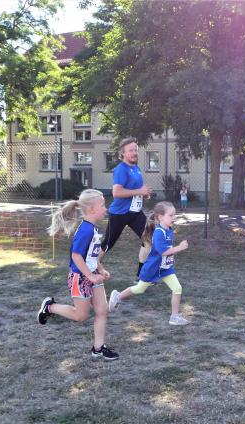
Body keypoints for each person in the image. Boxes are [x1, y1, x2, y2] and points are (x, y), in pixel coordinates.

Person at [37, 189, 119, 361]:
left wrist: (100, 269)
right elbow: (76, 256)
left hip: (92, 274)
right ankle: (50, 307)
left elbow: (91, 255)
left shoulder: (94, 228)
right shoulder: (85, 230)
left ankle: (98, 349)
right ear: (92, 209)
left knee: (102, 310)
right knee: (81, 316)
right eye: (102, 205)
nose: (106, 208)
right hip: (80, 278)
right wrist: (91, 276)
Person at [108, 201, 189, 325]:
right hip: (153, 268)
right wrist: (180, 247)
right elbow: (164, 252)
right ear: (160, 217)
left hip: (165, 268)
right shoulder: (159, 232)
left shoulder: (169, 230)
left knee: (177, 288)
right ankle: (118, 296)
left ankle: (174, 317)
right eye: (171, 215)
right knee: (139, 289)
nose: (174, 217)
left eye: (174, 215)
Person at [98, 137, 152, 277]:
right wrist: (139, 191)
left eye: (136, 150)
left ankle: (142, 275)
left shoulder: (136, 169)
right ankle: (92, 267)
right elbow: (116, 193)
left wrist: (144, 194)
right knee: (108, 243)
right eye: (131, 150)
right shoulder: (121, 170)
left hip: (135, 213)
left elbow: (136, 190)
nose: (134, 153)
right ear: (123, 153)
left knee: (149, 239)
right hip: (119, 214)